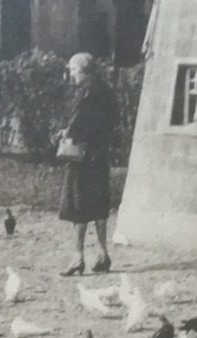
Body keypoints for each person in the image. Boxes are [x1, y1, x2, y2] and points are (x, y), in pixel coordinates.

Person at [57, 53, 117, 276]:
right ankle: (103, 254)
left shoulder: (85, 94)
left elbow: (78, 123)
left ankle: (77, 258)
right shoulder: (107, 91)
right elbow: (111, 121)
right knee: (100, 206)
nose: (71, 74)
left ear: (84, 71)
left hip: (82, 157)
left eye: (73, 70)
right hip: (100, 154)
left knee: (78, 206)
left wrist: (66, 132)